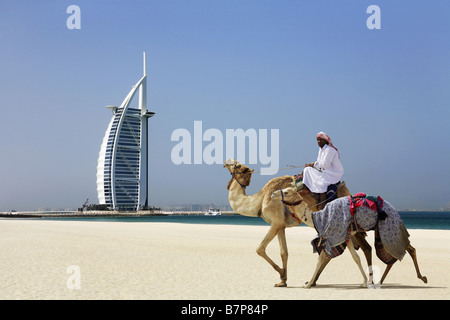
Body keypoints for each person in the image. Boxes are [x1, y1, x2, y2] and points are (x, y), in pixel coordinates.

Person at [295, 132, 344, 209]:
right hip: (325, 171)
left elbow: (325, 165)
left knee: (321, 183)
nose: (319, 142)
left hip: (333, 173)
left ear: (325, 141)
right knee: (307, 170)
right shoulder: (321, 150)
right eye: (317, 140)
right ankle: (305, 189)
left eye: (321, 140)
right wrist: (312, 165)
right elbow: (320, 163)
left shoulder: (330, 150)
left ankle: (322, 205)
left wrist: (314, 164)